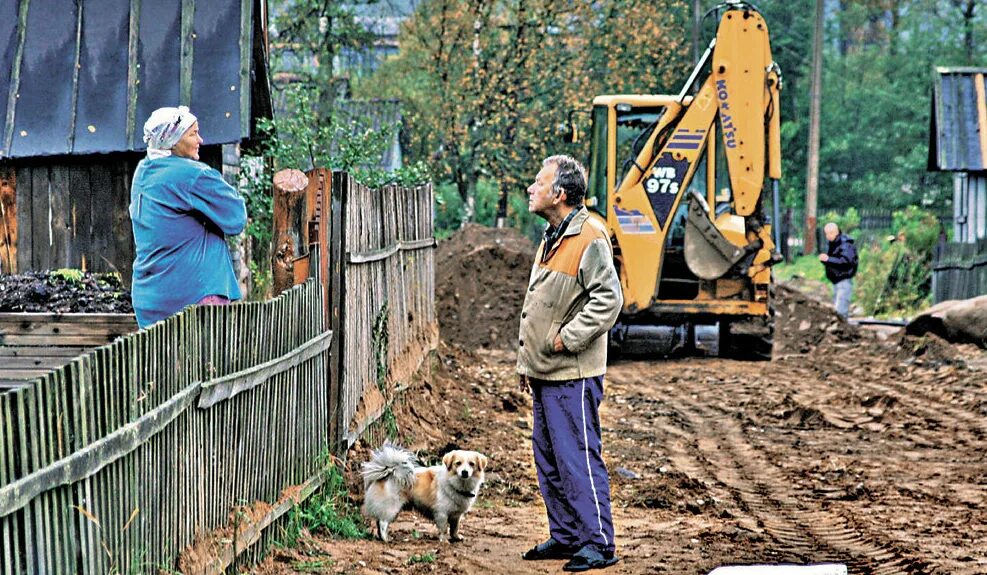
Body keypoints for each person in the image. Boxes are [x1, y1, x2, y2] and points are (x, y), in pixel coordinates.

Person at [517, 155, 623, 572]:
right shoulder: (552, 236)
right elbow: (537, 303)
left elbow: (608, 299)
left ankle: (598, 542)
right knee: (549, 459)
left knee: (576, 455)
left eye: (538, 182)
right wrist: (528, 363)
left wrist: (567, 338)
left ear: (559, 194)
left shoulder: (589, 235)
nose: (531, 188)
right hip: (546, 370)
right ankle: (565, 535)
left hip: (572, 371)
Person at [129, 106, 247, 328]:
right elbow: (235, 218)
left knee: (163, 363)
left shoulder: (143, 172)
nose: (200, 139)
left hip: (150, 299)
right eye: (193, 133)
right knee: (207, 363)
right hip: (195, 295)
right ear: (172, 140)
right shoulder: (193, 175)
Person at [818, 222, 858, 319]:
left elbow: (846, 261)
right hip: (837, 281)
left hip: (843, 280)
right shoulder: (835, 243)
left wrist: (828, 260)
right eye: (826, 233)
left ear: (836, 232)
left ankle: (842, 331)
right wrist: (827, 261)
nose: (828, 236)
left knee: (840, 311)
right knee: (837, 309)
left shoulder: (845, 244)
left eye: (830, 233)